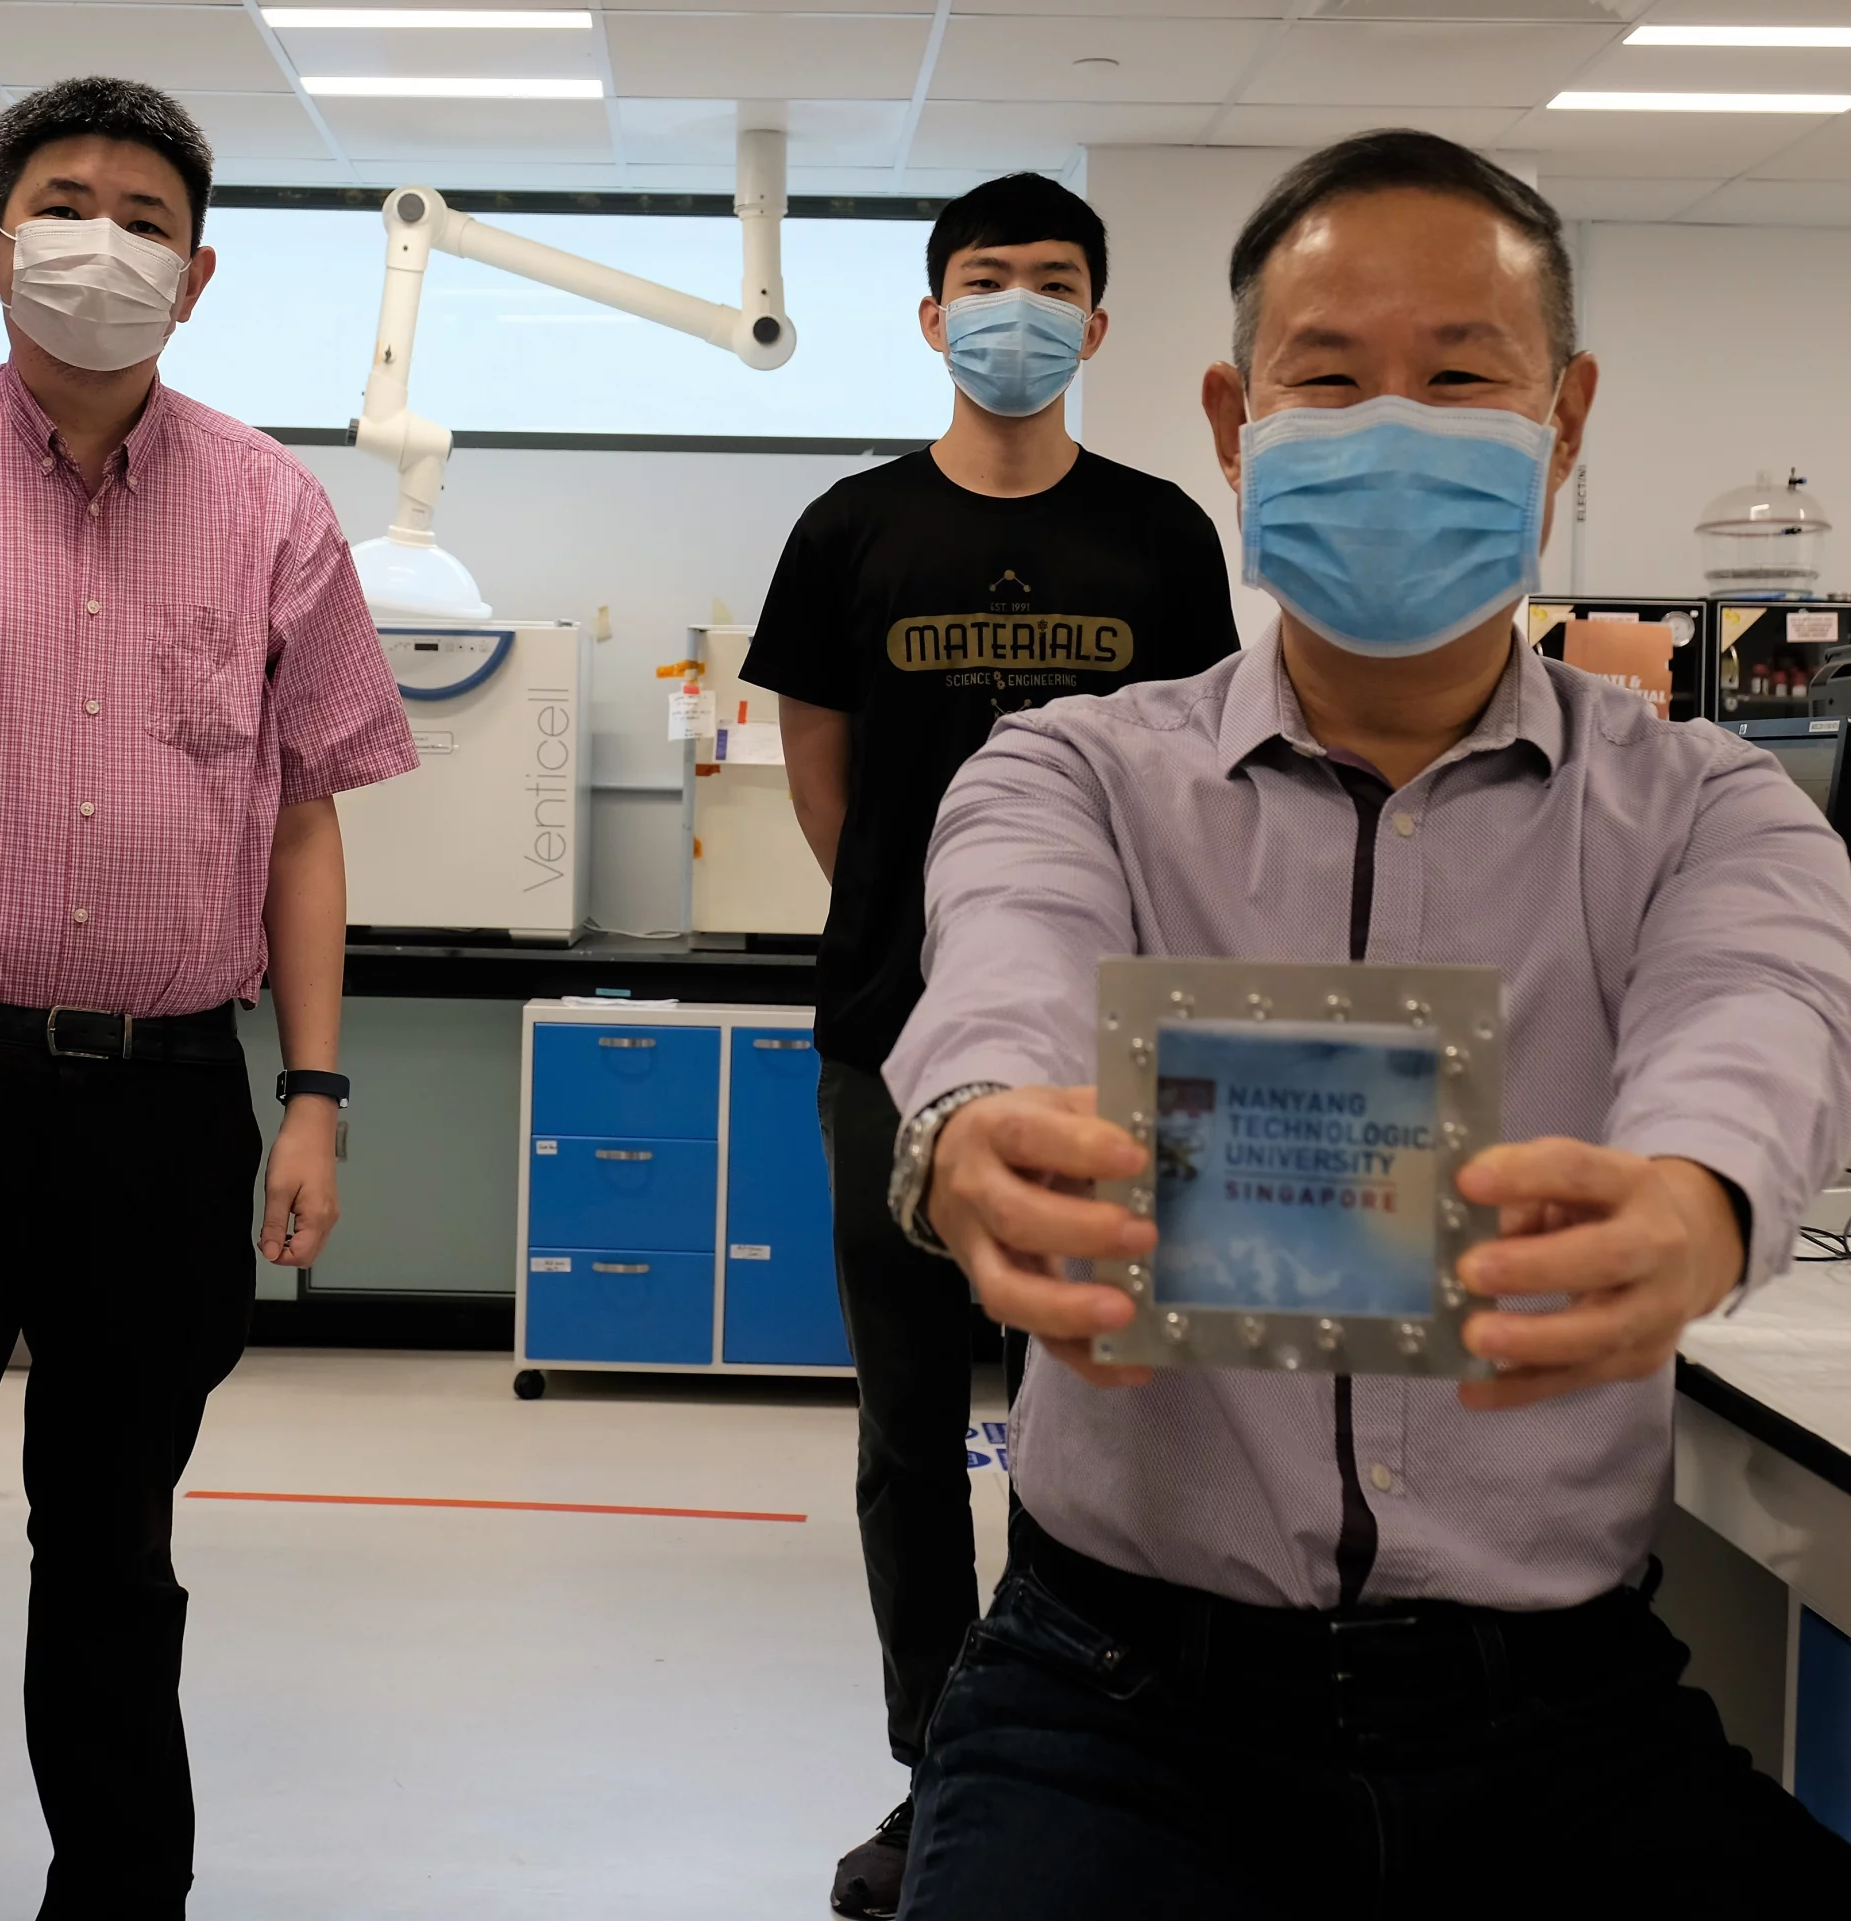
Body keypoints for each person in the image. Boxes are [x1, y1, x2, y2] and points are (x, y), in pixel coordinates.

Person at [882, 131, 1851, 1917]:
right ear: (1234, 423)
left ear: (1562, 421)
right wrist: (974, 1141)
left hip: (1560, 1707)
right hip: (1113, 1698)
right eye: (1328, 375)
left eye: (1461, 373)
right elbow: (1003, 967)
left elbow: (1766, 1006)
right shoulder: (1074, 772)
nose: (1393, 419)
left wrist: (1700, 1195)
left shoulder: (1715, 808)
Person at [0, 77, 418, 1921]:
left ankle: (121, 1898)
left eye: (142, 218)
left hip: (159, 1104)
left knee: (115, 1551)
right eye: (63, 203)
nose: (98, 244)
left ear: (196, 277)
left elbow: (301, 825)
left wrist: (317, 1094)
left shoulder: (276, 506)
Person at [739, 169, 1240, 1917]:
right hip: (887, 1033)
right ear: (934, 316)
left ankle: (1072, 1756)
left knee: (1085, 1417)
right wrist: (932, 943)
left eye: (1051, 281)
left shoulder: (1164, 536)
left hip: (1118, 1049)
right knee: (903, 1433)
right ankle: (934, 1765)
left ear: (1096, 322)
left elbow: (1202, 781)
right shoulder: (850, 530)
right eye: (982, 278)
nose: (1016, 305)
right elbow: (825, 772)